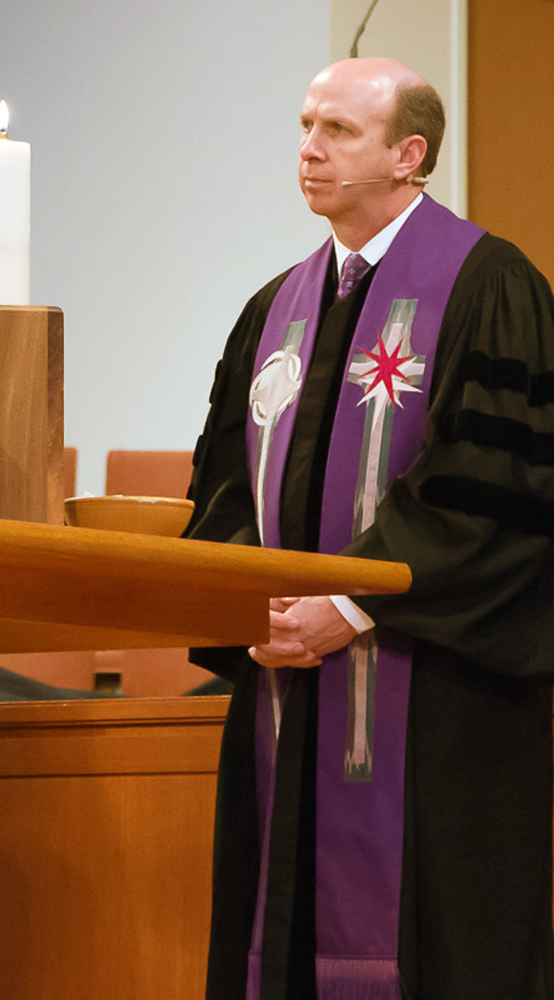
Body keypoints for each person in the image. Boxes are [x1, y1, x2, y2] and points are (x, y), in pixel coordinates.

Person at [184, 58, 554, 998]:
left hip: (437, 706)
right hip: (286, 692)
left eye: (339, 131)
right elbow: (222, 491)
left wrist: (349, 603)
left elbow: (499, 483)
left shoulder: (489, 285)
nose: (308, 149)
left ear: (410, 155)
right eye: (306, 126)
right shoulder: (275, 311)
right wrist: (250, 607)